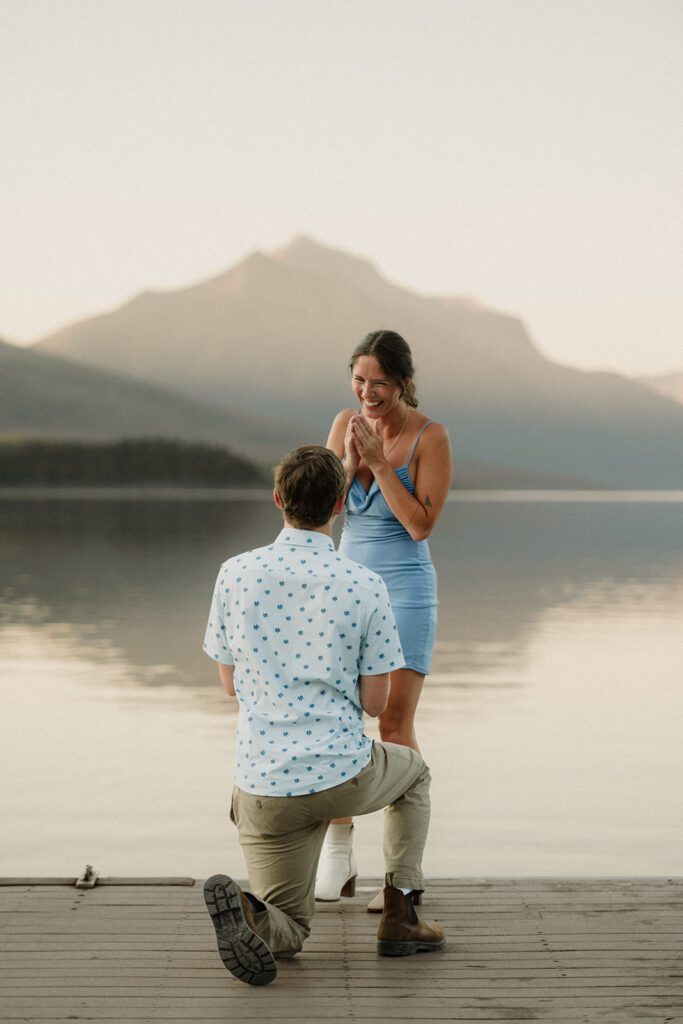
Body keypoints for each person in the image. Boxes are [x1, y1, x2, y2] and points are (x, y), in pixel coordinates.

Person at [201, 445, 445, 986]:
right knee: (414, 775)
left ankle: (252, 912)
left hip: (263, 786)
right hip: (341, 776)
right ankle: (402, 915)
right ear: (340, 505)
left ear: (277, 499)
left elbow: (228, 685)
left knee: (289, 929)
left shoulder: (234, 574)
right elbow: (376, 704)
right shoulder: (364, 585)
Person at [316, 330, 452, 908]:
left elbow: (420, 525)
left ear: (401, 382)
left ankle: (402, 879)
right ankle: (340, 861)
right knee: (339, 722)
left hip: (406, 591)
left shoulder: (431, 436)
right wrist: (350, 462)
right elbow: (326, 511)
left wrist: (380, 464)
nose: (367, 392)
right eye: (359, 381)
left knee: (393, 728)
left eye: (378, 382)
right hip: (347, 591)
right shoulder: (346, 421)